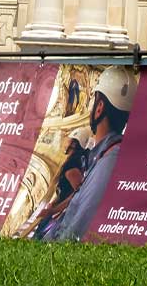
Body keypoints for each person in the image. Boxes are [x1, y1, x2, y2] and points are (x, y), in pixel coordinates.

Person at [42, 66, 138, 242]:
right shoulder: (103, 157)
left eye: (94, 101)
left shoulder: (108, 161)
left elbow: (76, 231)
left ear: (100, 108)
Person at [16, 137, 88, 239]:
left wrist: (52, 211)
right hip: (56, 210)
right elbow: (66, 191)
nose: (64, 143)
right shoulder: (70, 164)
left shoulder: (72, 166)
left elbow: (77, 194)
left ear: (74, 144)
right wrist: (54, 202)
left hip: (60, 216)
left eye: (67, 141)